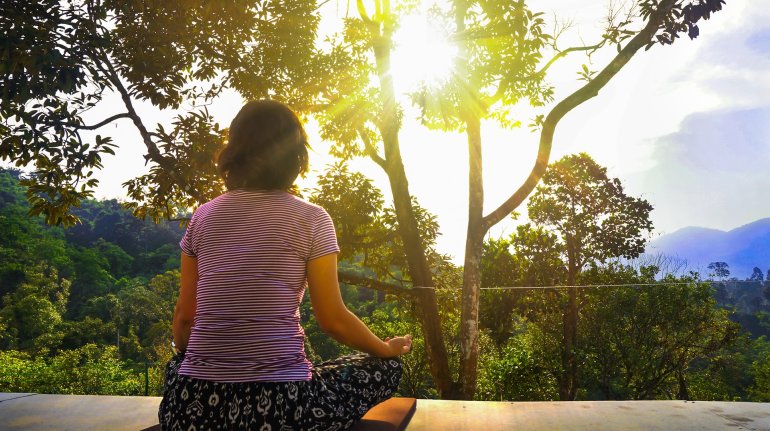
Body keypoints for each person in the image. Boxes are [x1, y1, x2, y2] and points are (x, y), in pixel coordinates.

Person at [158, 100, 412, 431]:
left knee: (178, 363)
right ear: (295, 156)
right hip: (283, 409)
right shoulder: (312, 218)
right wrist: (386, 348)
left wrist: (197, 361)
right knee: (386, 368)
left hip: (192, 409)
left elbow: (185, 319)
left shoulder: (202, 216)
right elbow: (333, 320)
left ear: (234, 153)